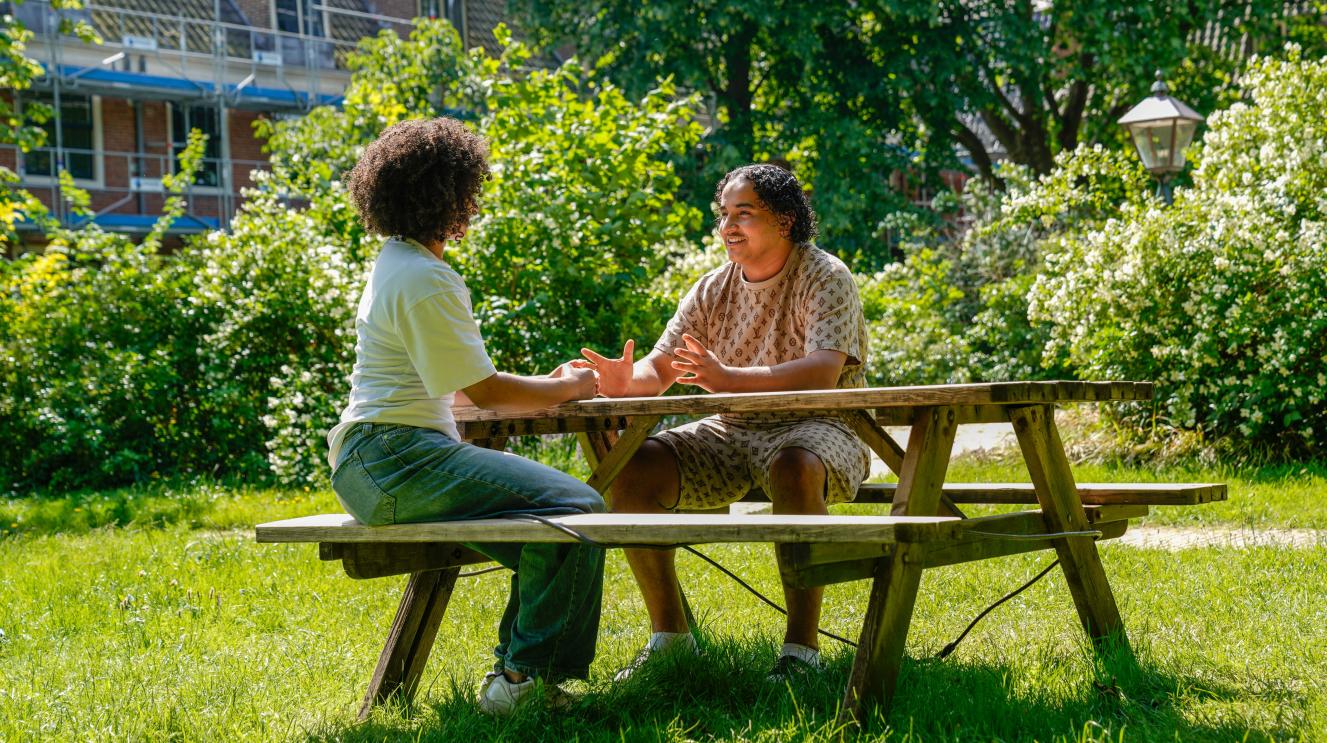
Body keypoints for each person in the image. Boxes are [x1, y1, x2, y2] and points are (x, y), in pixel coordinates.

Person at [326, 117, 605, 715]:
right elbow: (483, 390)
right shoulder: (427, 278)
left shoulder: (394, 263)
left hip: (375, 461)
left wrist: (546, 387)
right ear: (450, 196)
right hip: (394, 460)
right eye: (469, 191)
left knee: (546, 535)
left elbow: (449, 391)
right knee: (580, 509)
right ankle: (524, 682)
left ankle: (516, 677)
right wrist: (569, 387)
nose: (473, 203)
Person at [578, 163, 870, 683]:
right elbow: (663, 366)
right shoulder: (711, 289)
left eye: (744, 214)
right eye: (723, 215)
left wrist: (729, 378)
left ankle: (801, 653)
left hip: (823, 427)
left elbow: (823, 371)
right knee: (632, 471)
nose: (728, 227)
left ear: (784, 220)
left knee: (794, 466)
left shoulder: (826, 275)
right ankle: (671, 640)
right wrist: (627, 380)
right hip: (730, 432)